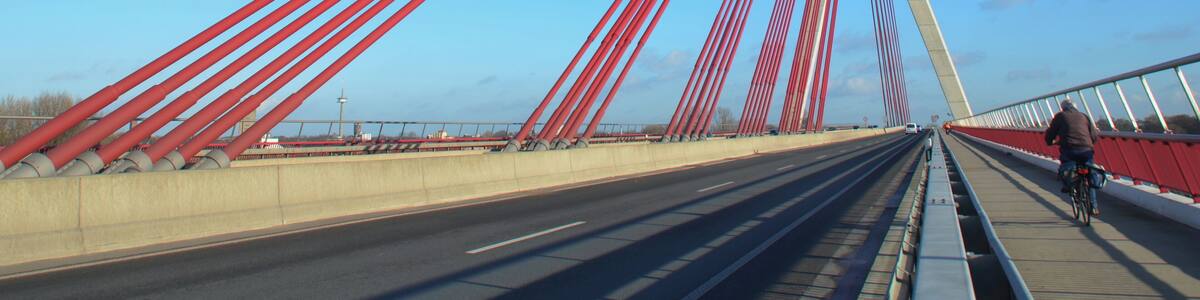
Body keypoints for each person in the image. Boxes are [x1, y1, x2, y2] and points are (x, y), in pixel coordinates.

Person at [1044, 97, 1101, 214]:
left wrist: (1050, 142)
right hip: (1086, 150)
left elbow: (1051, 133)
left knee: (1065, 168)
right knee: (1089, 173)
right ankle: (1094, 206)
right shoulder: (1084, 116)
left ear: (1063, 108)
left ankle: (1068, 185)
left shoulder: (1060, 116)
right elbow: (1094, 135)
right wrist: (1088, 143)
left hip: (1070, 150)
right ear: (1075, 107)